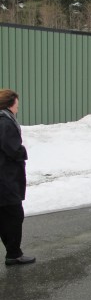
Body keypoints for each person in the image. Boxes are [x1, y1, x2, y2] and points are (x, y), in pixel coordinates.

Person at [0, 89, 35, 266]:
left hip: (4, 176)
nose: (18, 107)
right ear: (10, 103)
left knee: (6, 215)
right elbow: (12, 148)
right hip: (6, 177)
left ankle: (12, 251)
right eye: (17, 103)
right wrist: (23, 152)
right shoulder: (5, 122)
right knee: (14, 215)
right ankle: (14, 253)